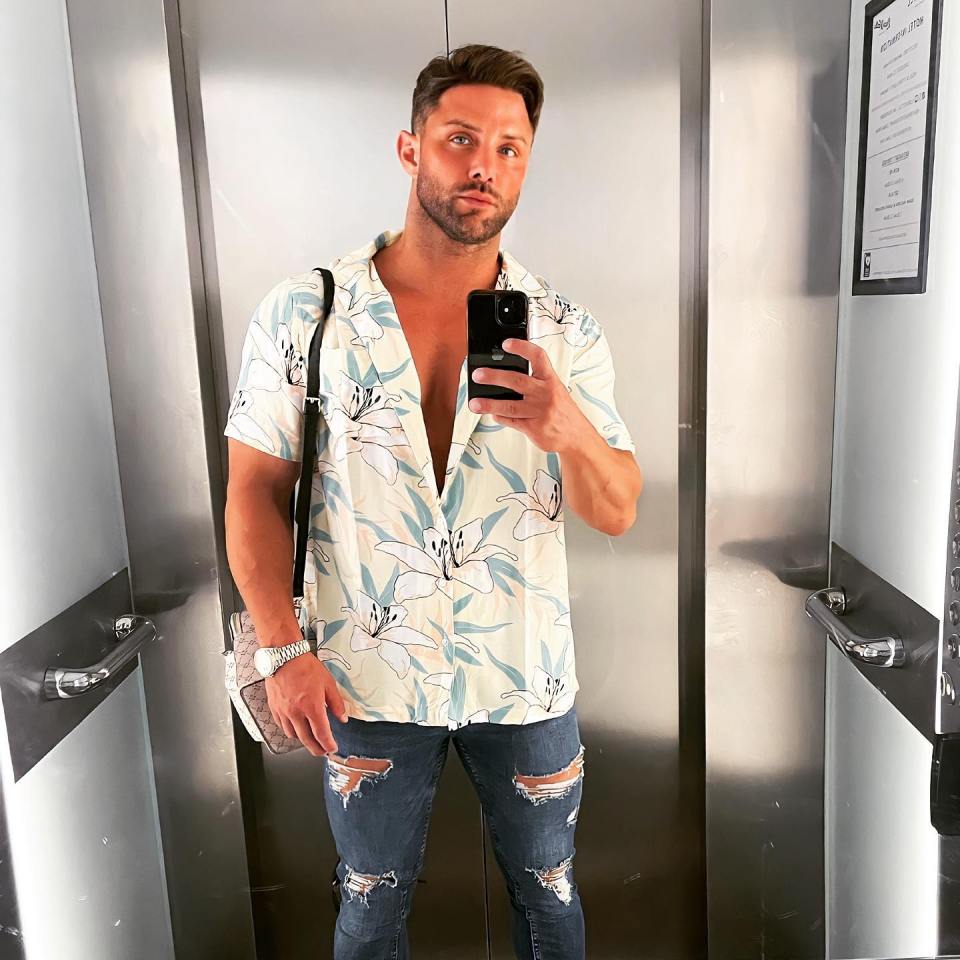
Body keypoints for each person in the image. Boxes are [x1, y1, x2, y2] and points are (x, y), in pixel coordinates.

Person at [223, 42, 643, 960]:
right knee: (368, 907)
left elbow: (617, 510)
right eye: (460, 139)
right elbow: (254, 488)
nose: (483, 166)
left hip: (524, 675)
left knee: (550, 897)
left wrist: (565, 426)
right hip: (359, 675)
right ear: (411, 149)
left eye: (509, 147)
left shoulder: (563, 328)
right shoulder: (309, 311)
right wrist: (278, 647)